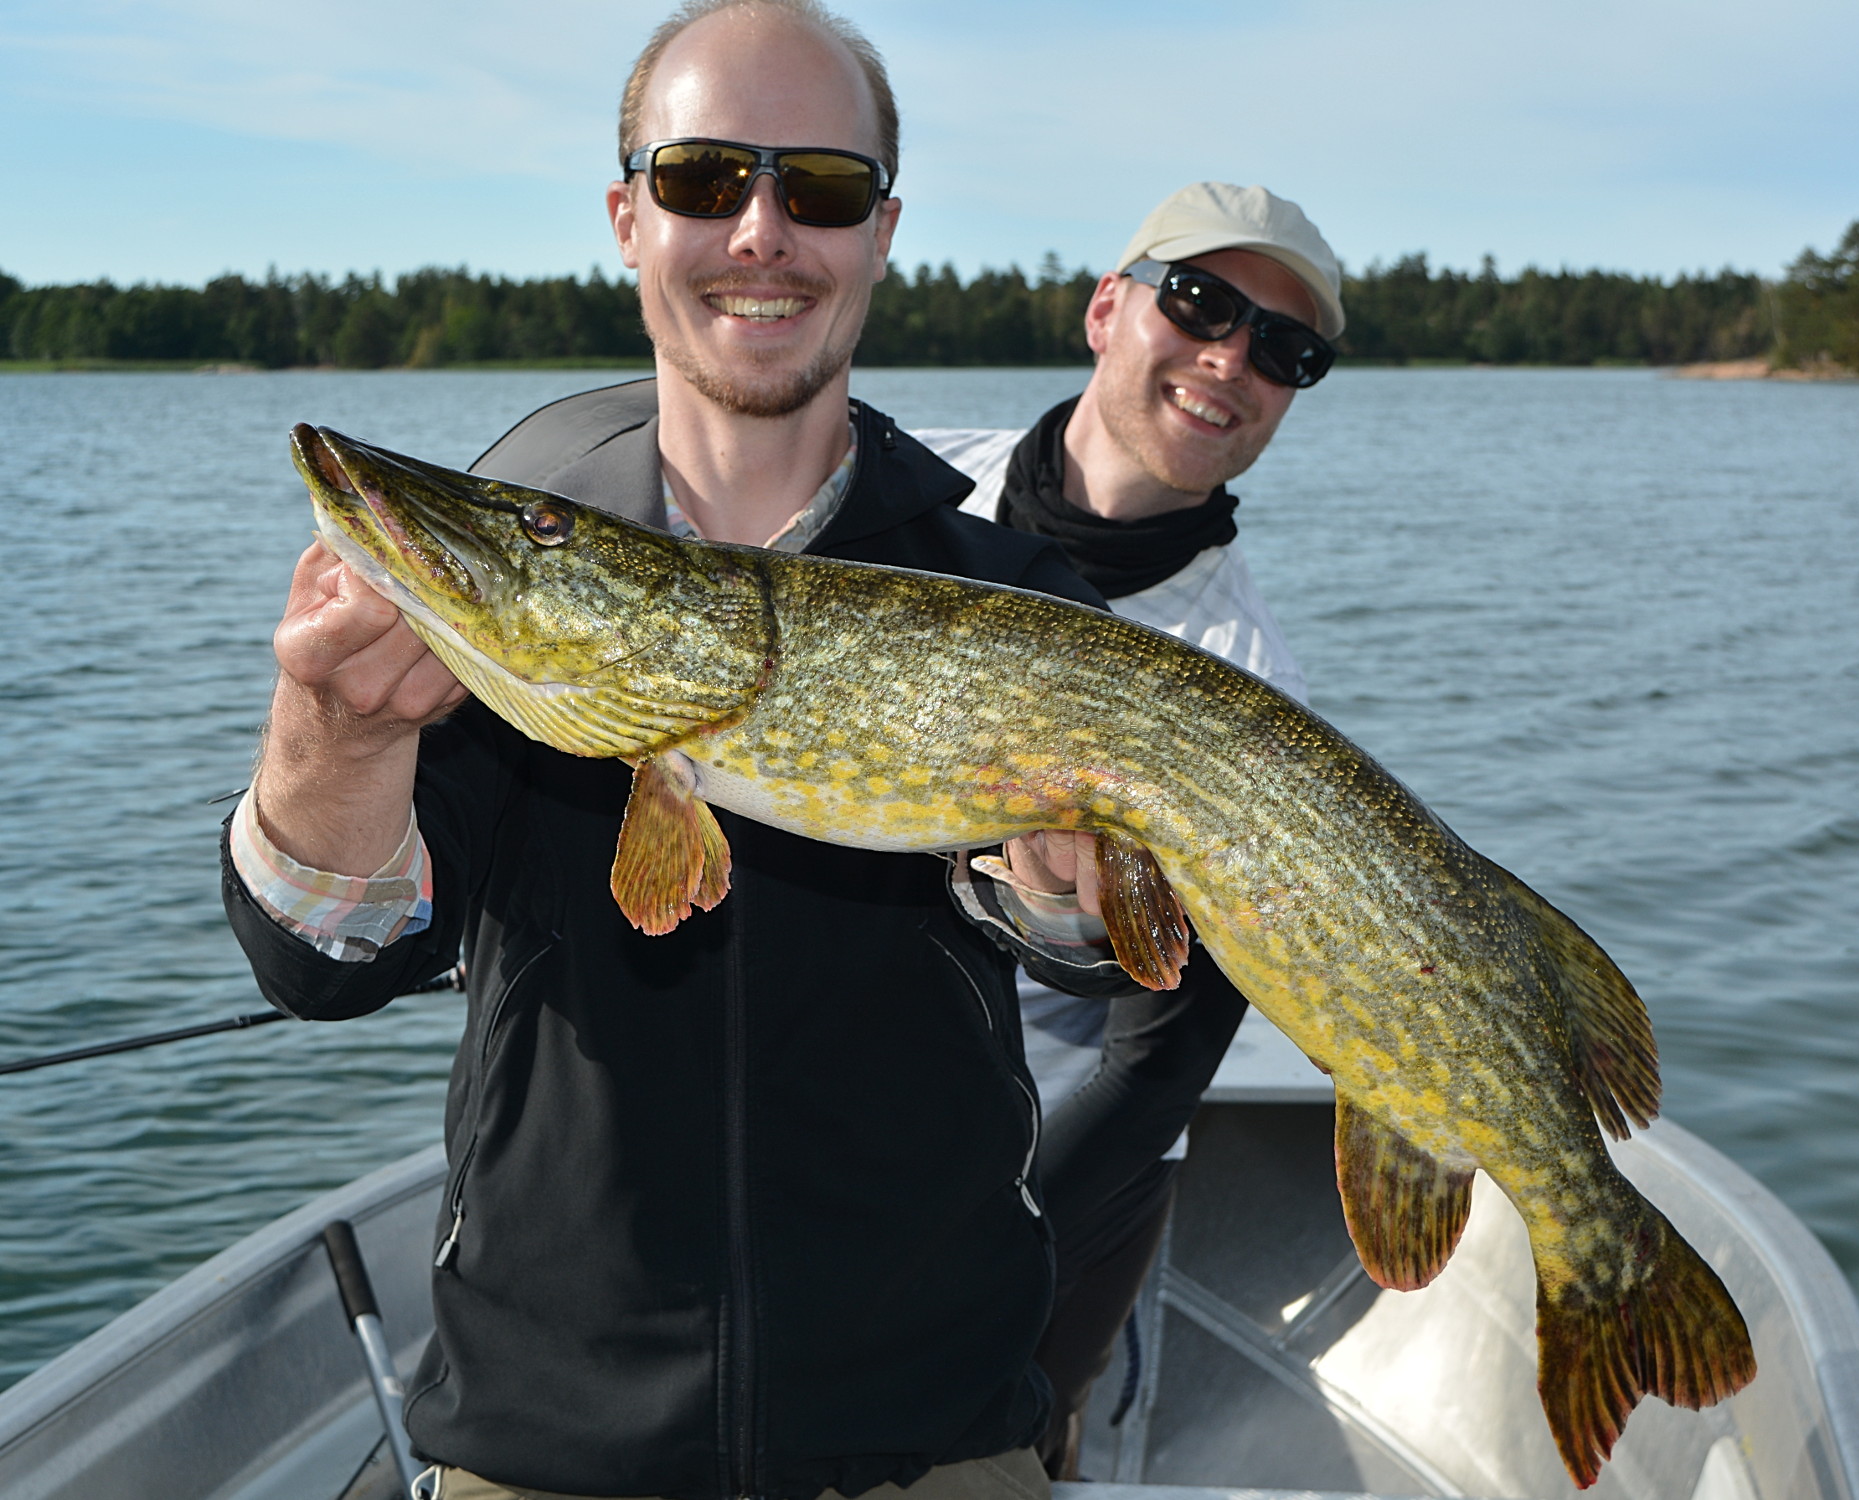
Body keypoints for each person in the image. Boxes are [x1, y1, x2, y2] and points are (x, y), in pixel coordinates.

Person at [222, 4, 1109, 1498]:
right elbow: (325, 965)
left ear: (881, 233)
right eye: (705, 179)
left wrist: (1074, 895)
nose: (761, 231)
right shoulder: (521, 539)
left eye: (819, 189)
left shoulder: (1008, 602)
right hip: (548, 1442)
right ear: (630, 217)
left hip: (936, 1434)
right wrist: (332, 731)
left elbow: (1095, 959)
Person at [915, 181, 1346, 1479]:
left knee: (1004, 1459)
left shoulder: (1246, 684)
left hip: (1069, 1174)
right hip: (841, 1127)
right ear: (1108, 308)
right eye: (1203, 303)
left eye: (1287, 350)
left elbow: (1161, 1059)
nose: (1231, 359)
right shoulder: (899, 497)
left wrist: (979, 1242)